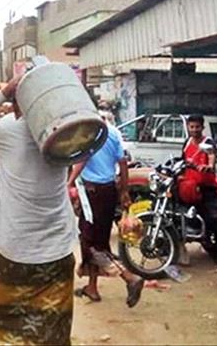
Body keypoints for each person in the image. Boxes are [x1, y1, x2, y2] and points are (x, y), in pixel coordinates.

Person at [0, 75, 76, 346]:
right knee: (54, 328)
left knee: (12, 329)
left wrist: (3, 92)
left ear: (18, 104)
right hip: (57, 251)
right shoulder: (67, 130)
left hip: (14, 251)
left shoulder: (10, 129)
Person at [67, 111, 145, 307]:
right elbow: (123, 162)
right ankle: (92, 288)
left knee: (90, 243)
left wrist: (68, 182)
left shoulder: (89, 134)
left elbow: (82, 159)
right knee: (98, 241)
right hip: (109, 190)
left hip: (93, 193)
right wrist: (124, 191)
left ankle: (129, 277)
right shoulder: (113, 132)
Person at [179, 115, 217, 266]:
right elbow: (182, 160)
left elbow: (212, 155)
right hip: (189, 186)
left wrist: (209, 166)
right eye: (191, 127)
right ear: (188, 127)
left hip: (207, 187)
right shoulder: (187, 142)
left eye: (197, 127)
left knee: (214, 220)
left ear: (202, 127)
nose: (194, 130)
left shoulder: (208, 142)